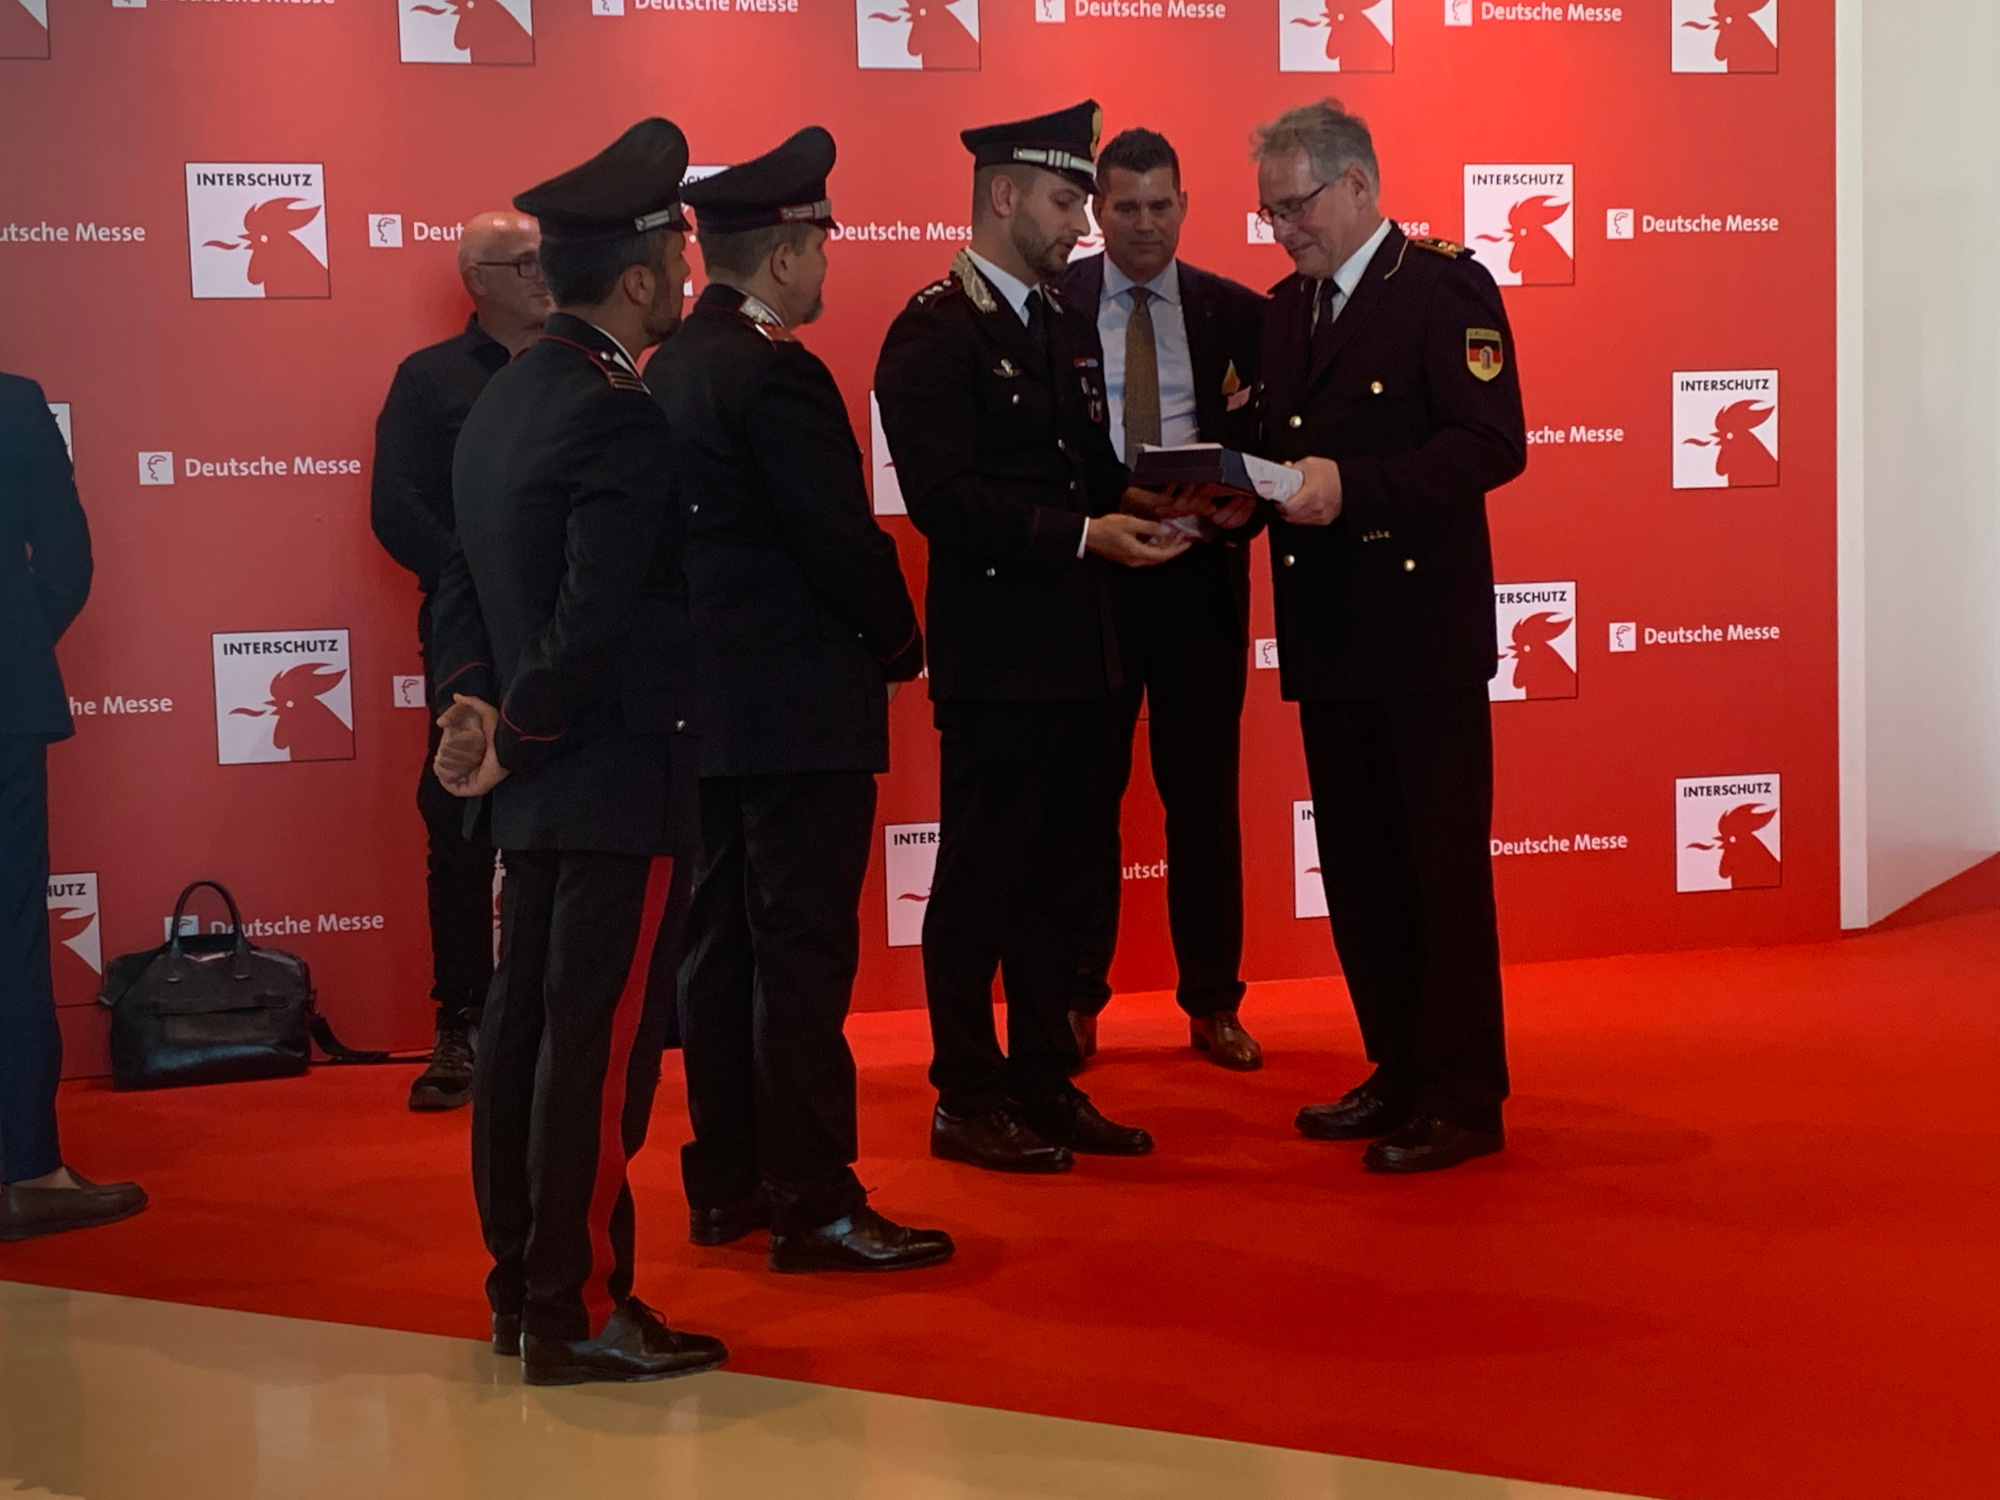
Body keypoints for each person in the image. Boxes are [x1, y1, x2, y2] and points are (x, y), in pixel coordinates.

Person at [424, 118, 727, 1383]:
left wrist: (476, 710)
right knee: (593, 1053)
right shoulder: (617, 414)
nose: (688, 277)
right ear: (642, 276)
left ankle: (522, 1290)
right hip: (607, 777)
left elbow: (461, 586)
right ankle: (580, 1308)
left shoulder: (505, 392)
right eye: (680, 259)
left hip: (538, 777)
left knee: (525, 1036)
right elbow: (595, 611)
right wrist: (519, 730)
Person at [648, 128, 953, 1273]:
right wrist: (900, 640)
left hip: (706, 713)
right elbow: (838, 540)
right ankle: (815, 1199)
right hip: (796, 715)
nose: (825, 264)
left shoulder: (670, 363)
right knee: (800, 958)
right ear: (782, 255)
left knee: (718, 947)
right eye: (818, 245)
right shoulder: (776, 371)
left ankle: (728, 1181)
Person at [874, 100, 1192, 1176]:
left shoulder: (1059, 319)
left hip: (1080, 652)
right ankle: (966, 1095)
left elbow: (1086, 469)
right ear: (1003, 195)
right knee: (982, 880)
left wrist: (1168, 501)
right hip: (998, 661)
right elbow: (942, 500)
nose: (1082, 225)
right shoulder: (932, 329)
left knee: (1066, 878)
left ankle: (1045, 1081)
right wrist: (1086, 533)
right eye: (1064, 201)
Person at [1251, 100, 1526, 1173]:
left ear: (1357, 185)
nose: (1283, 230)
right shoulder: (1287, 311)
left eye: (1296, 206)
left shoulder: (1443, 288)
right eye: (1270, 213)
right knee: (1360, 870)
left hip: (1420, 637)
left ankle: (1462, 1093)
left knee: (1438, 872)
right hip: (1327, 632)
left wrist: (1352, 488)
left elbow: (1490, 444)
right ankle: (1397, 1066)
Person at [1057, 127, 1269, 1073]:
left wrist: (1239, 505)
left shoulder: (1240, 313)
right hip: (1092, 579)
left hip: (1199, 583)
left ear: (1185, 205)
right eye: (1127, 207)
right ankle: (1075, 1000)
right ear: (1096, 212)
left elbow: (1271, 449)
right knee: (1081, 800)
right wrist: (1105, 512)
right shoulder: (1053, 307)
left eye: (1161, 205)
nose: (1145, 224)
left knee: (1205, 802)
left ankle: (1214, 1002)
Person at [371, 210, 550, 1112]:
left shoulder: (583, 370)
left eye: (547, 259)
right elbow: (395, 504)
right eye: (524, 263)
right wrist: (474, 574)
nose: (543, 274)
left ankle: (557, 1017)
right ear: (477, 279)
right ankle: (463, 1021)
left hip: (567, 628)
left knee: (571, 816)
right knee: (457, 816)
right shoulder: (429, 378)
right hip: (467, 634)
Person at [0, 371, 147, 1242]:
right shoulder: (12, 402)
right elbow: (64, 565)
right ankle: (25, 1170)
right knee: (10, 936)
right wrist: (14, 646)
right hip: (2, 705)